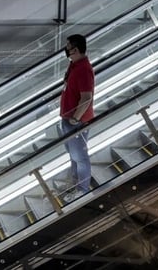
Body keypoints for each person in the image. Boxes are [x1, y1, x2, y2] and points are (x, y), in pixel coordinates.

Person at [60, 34, 95, 196]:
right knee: (74, 156)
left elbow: (87, 97)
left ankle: (82, 190)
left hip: (77, 122)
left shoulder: (83, 69)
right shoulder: (73, 65)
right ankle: (75, 185)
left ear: (76, 49)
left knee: (80, 157)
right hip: (68, 119)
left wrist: (75, 118)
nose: (66, 50)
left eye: (68, 47)